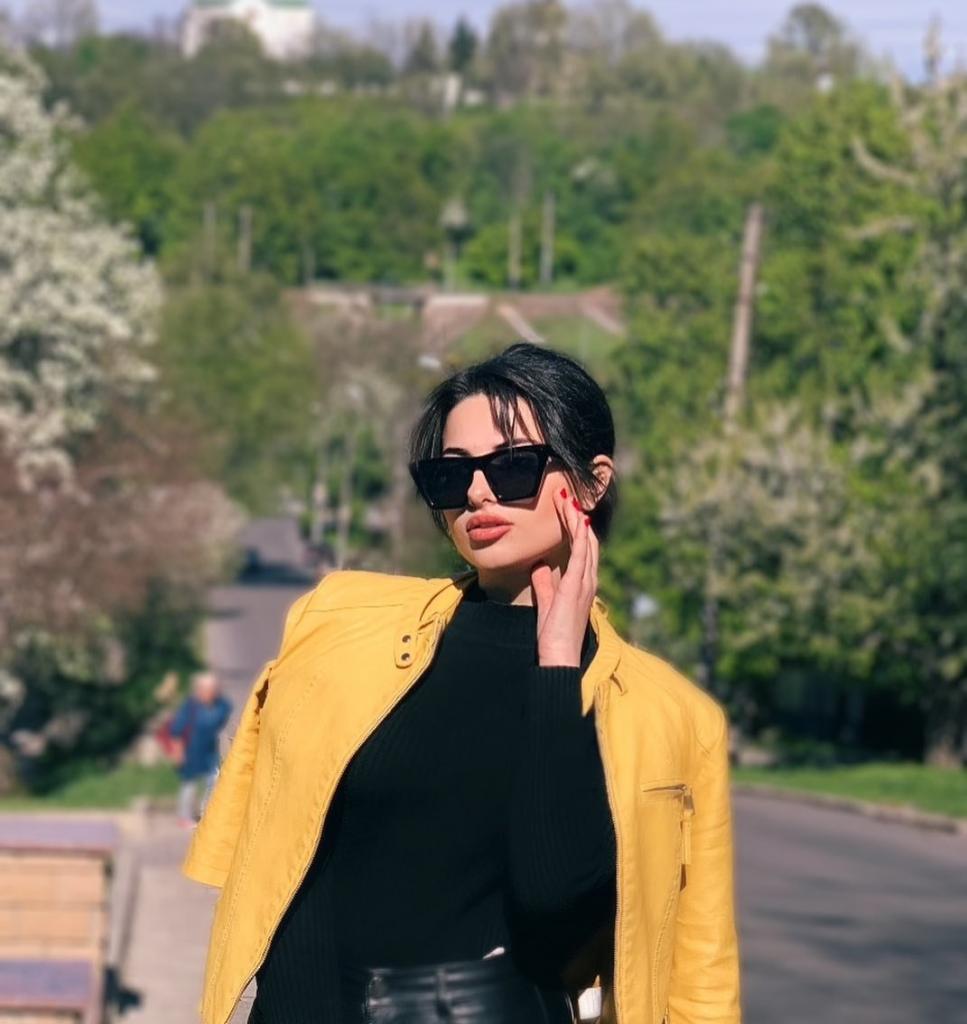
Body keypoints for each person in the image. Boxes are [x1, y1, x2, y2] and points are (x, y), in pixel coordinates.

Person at [181, 342, 742, 1024]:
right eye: (452, 475)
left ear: (593, 483)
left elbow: (565, 907)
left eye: (512, 466)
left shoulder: (669, 716)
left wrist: (557, 664)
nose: (477, 493)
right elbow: (266, 829)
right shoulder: (340, 621)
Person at [169, 670, 233, 828]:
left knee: (214, 780)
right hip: (191, 751)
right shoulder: (191, 707)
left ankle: (206, 814)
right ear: (200, 690)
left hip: (210, 751)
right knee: (189, 784)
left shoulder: (221, 705)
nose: (211, 693)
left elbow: (226, 713)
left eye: (213, 690)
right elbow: (176, 730)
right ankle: (184, 817)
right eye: (207, 690)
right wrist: (178, 753)